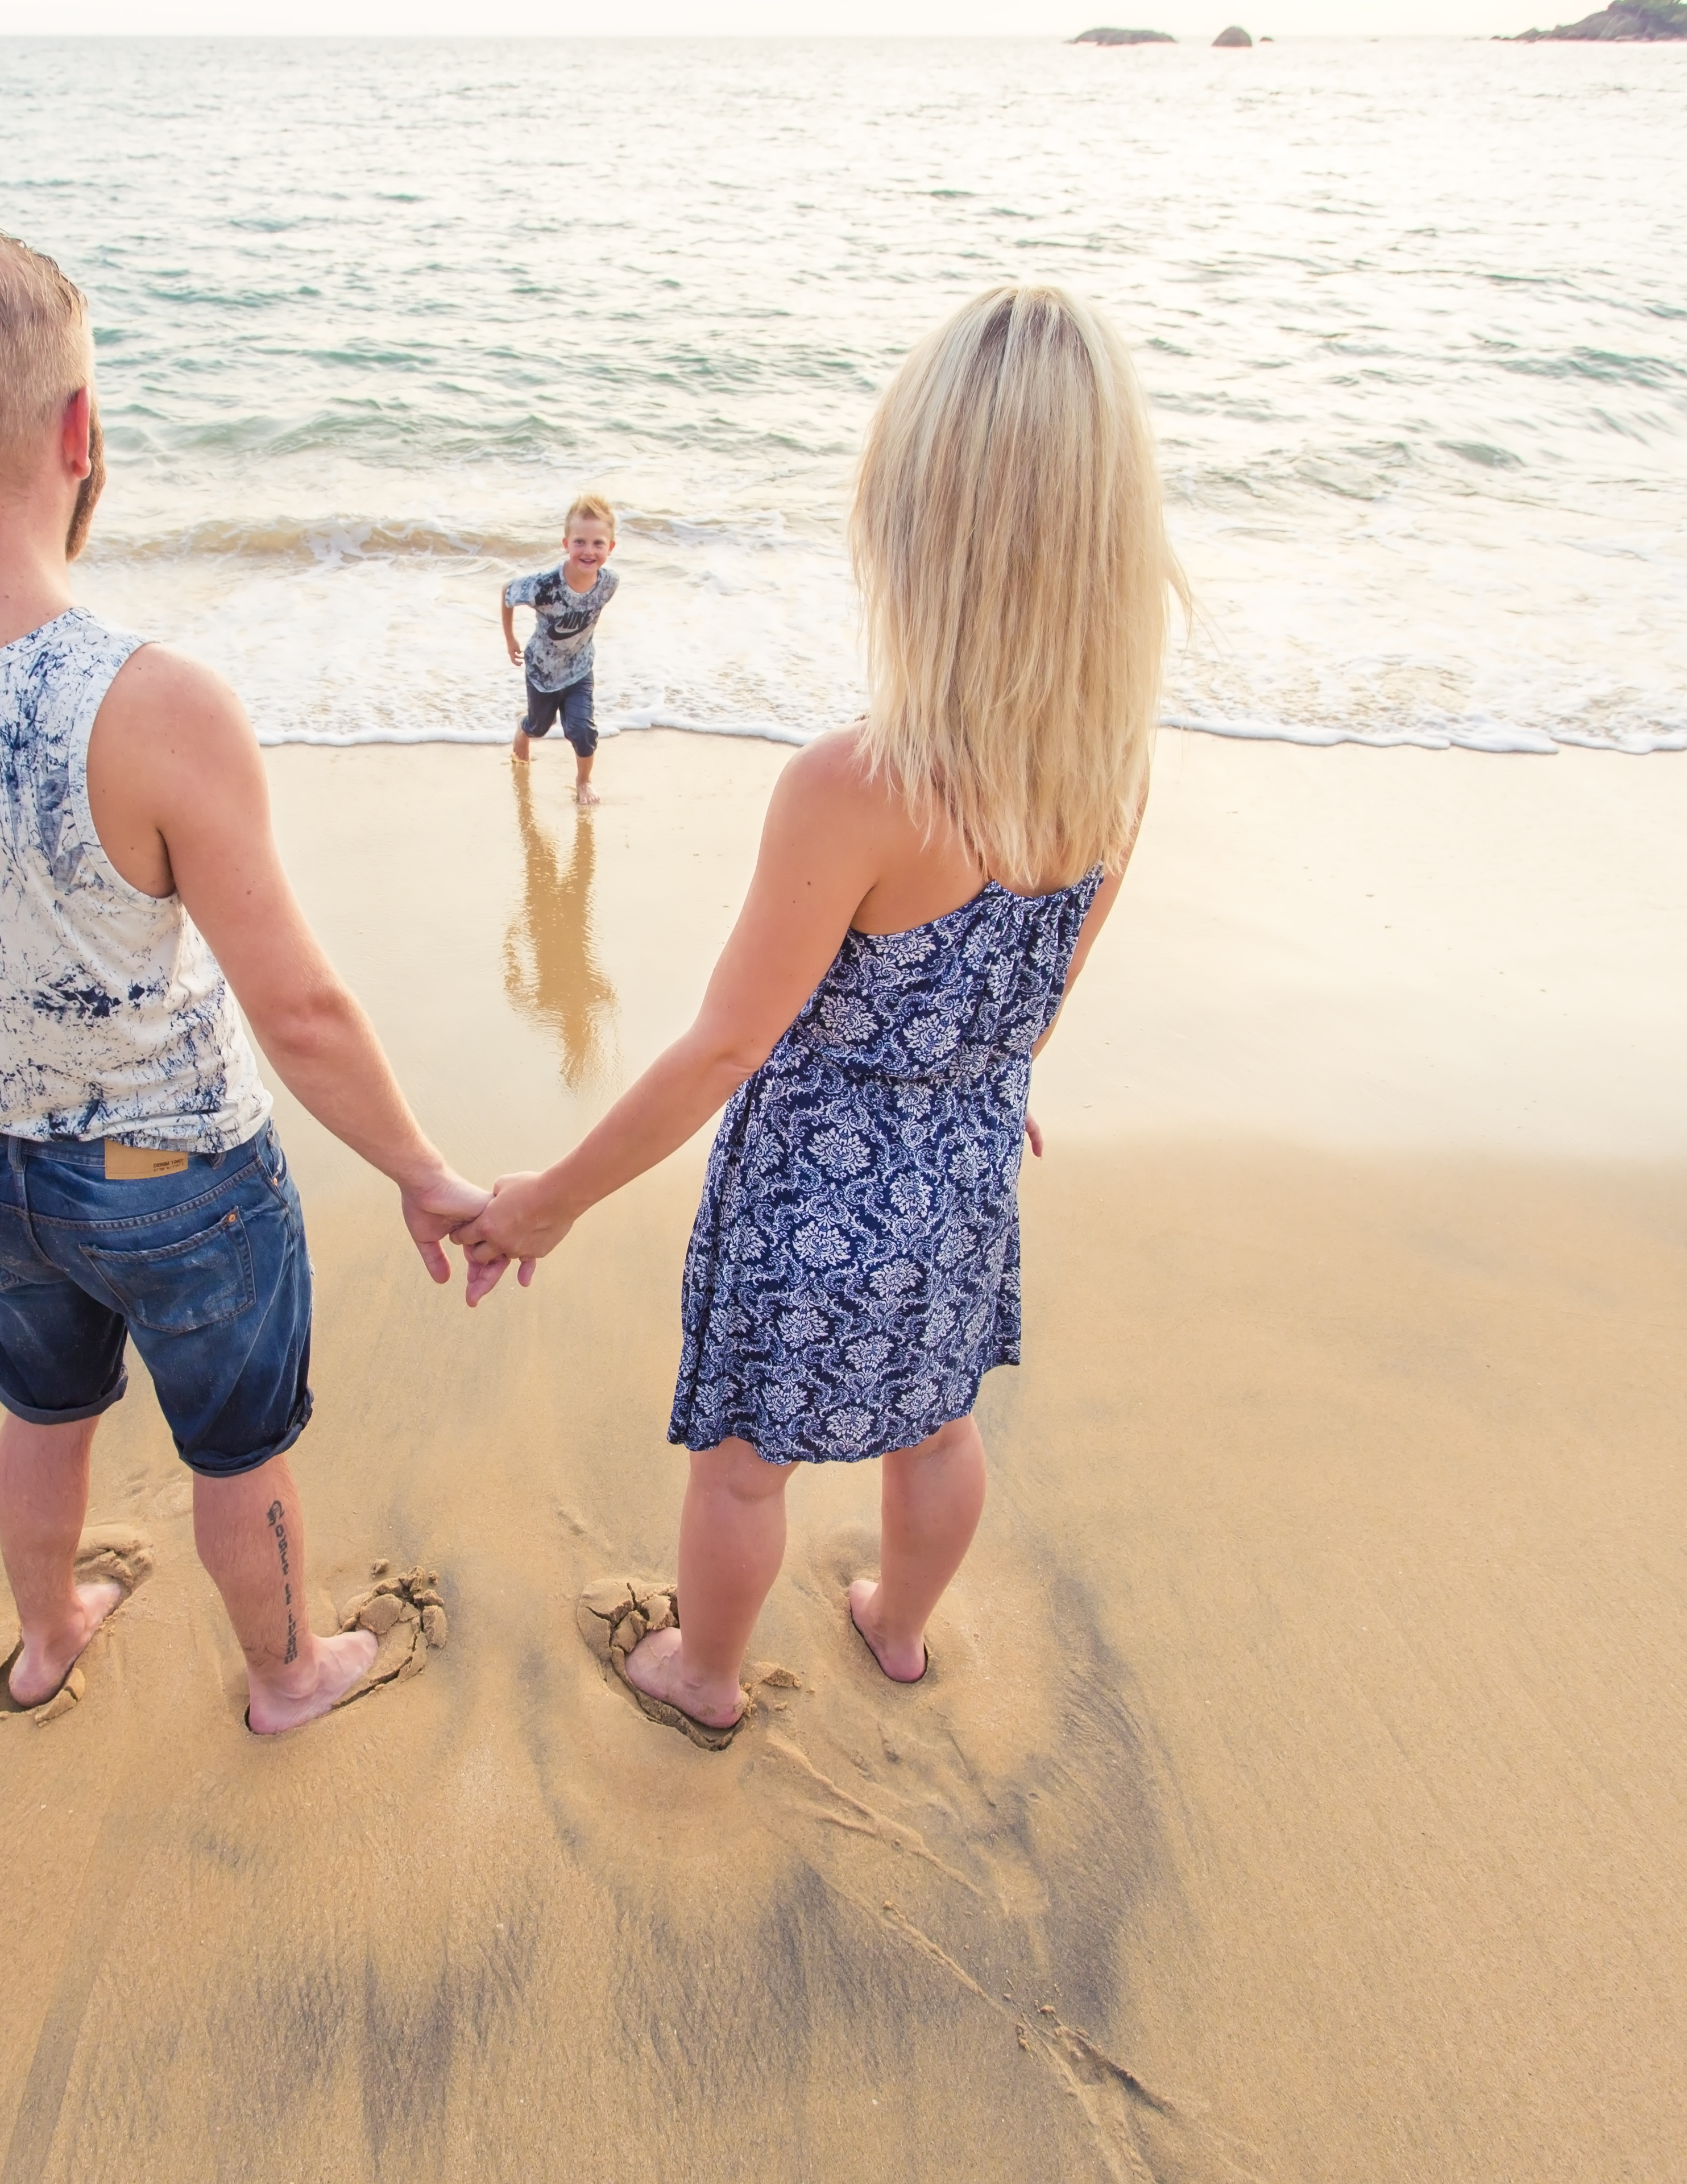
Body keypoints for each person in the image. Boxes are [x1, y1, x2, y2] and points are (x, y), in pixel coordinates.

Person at [0, 229, 494, 1738]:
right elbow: (299, 1013)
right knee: (236, 1447)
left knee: (42, 1412)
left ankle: (46, 1635)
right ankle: (288, 1675)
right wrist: (420, 1171)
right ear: (80, 432)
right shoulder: (153, 704)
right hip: (177, 1169)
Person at [462, 286, 1180, 1739]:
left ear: (912, 536)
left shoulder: (857, 787)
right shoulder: (1113, 774)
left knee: (739, 1462)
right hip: (968, 1165)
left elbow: (727, 1044)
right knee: (937, 1419)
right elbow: (1048, 983)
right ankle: (898, 1629)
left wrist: (550, 1197)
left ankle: (701, 1673)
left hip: (806, 1188)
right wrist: (987, 1070)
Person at [499, 496, 620, 808]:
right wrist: (510, 639)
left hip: (580, 670)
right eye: (580, 542)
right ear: (567, 543)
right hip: (541, 671)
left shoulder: (609, 584)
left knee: (581, 730)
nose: (589, 551)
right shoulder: (545, 586)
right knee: (540, 726)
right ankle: (523, 730)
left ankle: (583, 780)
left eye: (598, 543)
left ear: (611, 548)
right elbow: (507, 592)